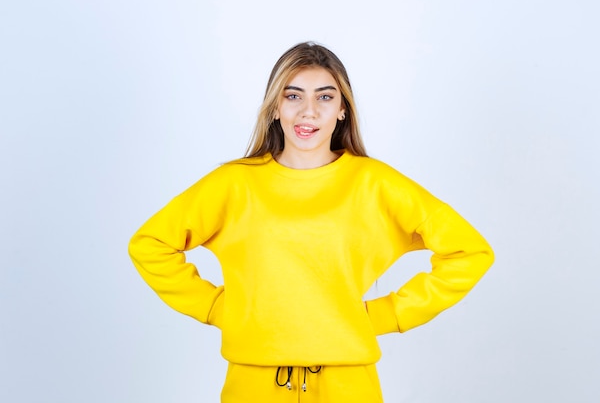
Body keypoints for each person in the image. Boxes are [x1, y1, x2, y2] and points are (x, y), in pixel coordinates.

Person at [128, 41, 495, 402]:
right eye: (293, 96)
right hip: (252, 384)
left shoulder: (375, 183)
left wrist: (387, 315)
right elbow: (151, 245)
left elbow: (469, 252)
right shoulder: (233, 184)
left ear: (342, 110)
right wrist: (217, 308)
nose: (308, 111)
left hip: (348, 384)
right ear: (274, 108)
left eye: (324, 97)